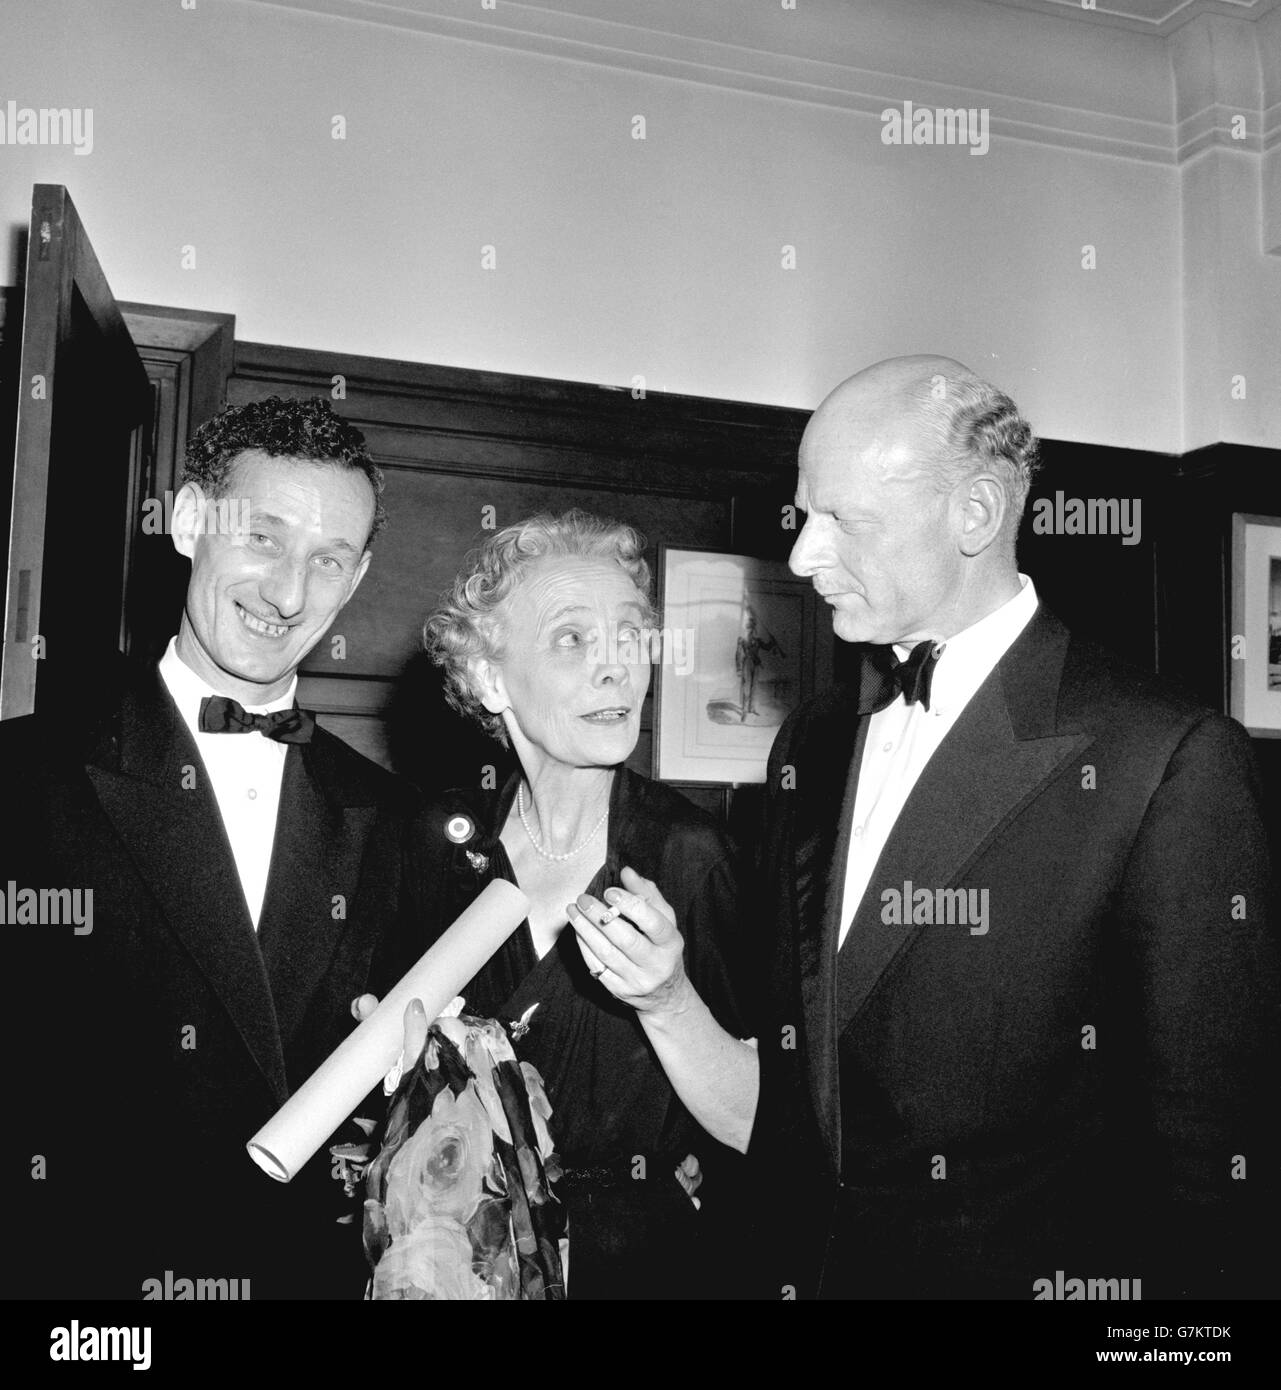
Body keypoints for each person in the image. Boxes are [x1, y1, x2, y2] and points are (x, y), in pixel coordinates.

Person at [752, 355, 1279, 1301]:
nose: (801, 556)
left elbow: (1217, 1177)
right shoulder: (814, 737)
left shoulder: (1165, 759)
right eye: (804, 514)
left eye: (844, 521)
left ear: (977, 514)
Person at [4, 396, 422, 1300]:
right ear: (190, 521)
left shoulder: (392, 821)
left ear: (356, 580)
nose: (287, 594)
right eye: (263, 538)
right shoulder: (24, 776)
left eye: (327, 561)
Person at [411, 509, 759, 1300]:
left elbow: (761, 1125)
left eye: (632, 636)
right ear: (488, 677)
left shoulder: (692, 857)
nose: (618, 670)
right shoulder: (438, 846)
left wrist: (668, 999)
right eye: (573, 639)